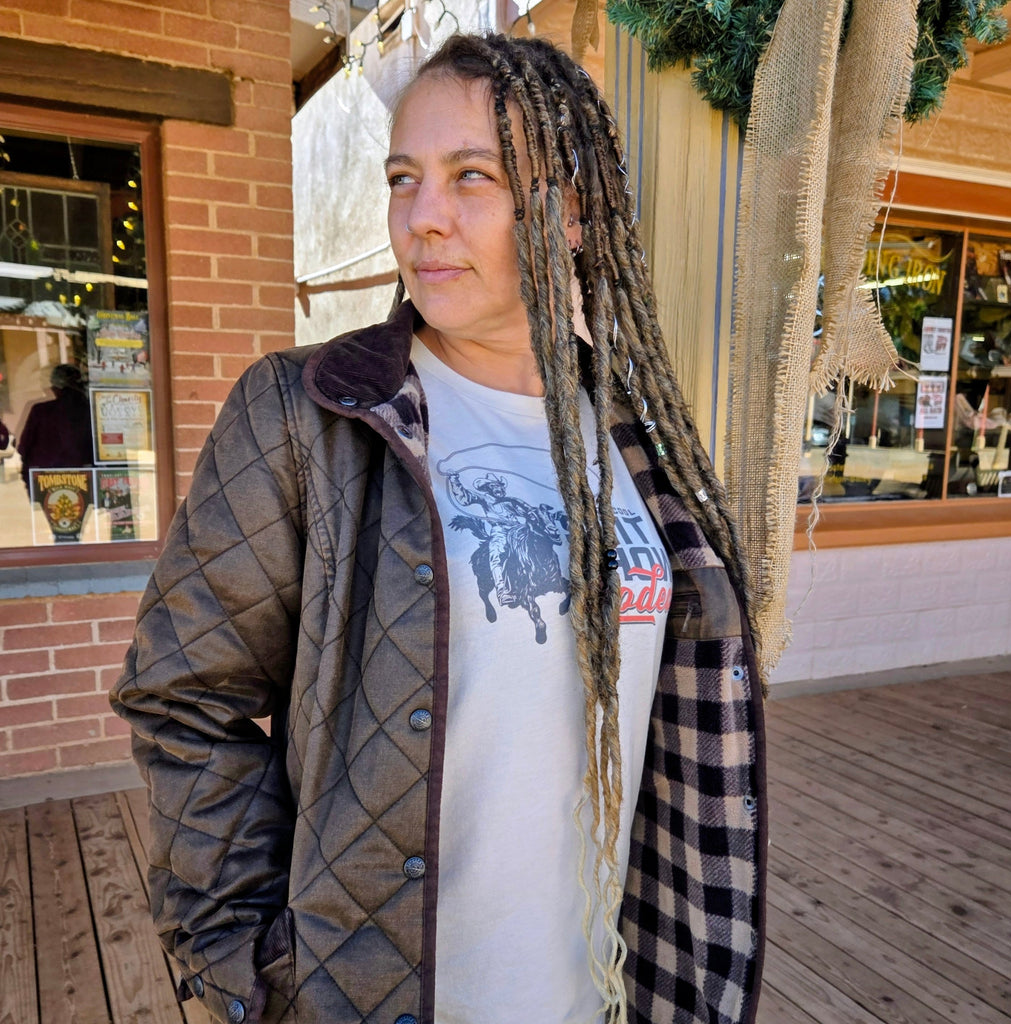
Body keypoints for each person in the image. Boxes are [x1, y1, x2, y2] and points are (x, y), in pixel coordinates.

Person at [111, 32, 767, 1024]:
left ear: (575, 212)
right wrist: (240, 959)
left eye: (474, 177)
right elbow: (182, 696)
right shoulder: (306, 416)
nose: (422, 219)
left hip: (599, 995)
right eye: (403, 177)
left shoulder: (641, 445)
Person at [17, 363, 94, 493]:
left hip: (44, 483)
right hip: (84, 481)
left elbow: (23, 448)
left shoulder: (40, 412)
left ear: (56, 388)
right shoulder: (90, 411)